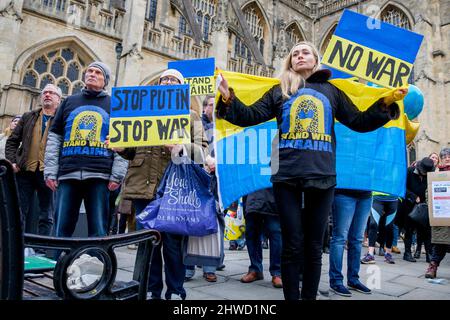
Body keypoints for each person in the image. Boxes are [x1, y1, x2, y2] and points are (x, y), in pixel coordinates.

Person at [216, 41, 406, 300]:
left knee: (314, 247)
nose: (299, 56)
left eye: (305, 52)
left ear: (316, 59)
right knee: (292, 244)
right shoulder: (279, 89)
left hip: (322, 177)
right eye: (294, 53)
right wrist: (228, 97)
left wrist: (385, 103)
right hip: (287, 177)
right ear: (289, 61)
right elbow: (250, 115)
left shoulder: (331, 91)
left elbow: (358, 121)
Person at [116, 68, 209, 300]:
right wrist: (121, 148)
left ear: (181, 88)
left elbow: (202, 152)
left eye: (173, 80)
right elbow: (132, 149)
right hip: (142, 185)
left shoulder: (191, 116)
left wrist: (181, 147)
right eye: (163, 79)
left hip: (173, 188)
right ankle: (150, 289)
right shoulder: (141, 113)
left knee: (172, 244)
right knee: (148, 242)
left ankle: (176, 290)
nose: (167, 82)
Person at [44, 61, 128, 238]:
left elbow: (122, 141)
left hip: (100, 175)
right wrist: (50, 171)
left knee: (98, 229)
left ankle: (96, 263)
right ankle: (61, 264)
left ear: (105, 80)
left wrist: (117, 175)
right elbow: (54, 137)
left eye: (97, 72)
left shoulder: (115, 104)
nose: (92, 74)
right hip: (68, 173)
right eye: (89, 71)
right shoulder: (68, 102)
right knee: (62, 228)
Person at [6, 84, 61, 236]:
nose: (47, 95)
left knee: (47, 214)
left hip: (48, 173)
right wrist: (12, 161)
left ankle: (41, 249)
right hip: (25, 172)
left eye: (52, 93)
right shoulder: (28, 116)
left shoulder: (62, 118)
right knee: (19, 212)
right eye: (45, 93)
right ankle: (18, 246)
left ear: (58, 99)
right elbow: (12, 141)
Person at [329, 189, 373, 296]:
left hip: (366, 194)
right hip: (344, 192)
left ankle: (353, 279)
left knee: (357, 239)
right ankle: (336, 281)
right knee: (340, 238)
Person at [239, 188, 283, 289]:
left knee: (275, 232)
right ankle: (255, 269)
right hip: (251, 195)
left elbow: (274, 171)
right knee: (252, 232)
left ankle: (277, 272)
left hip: (272, 194)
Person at [402, 157, 435, 262]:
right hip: (410, 205)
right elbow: (402, 187)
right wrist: (413, 196)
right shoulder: (409, 171)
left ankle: (429, 254)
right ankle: (407, 253)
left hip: (425, 206)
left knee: (426, 231)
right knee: (409, 230)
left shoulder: (430, 174)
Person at [425, 147, 450, 278]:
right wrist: (431, 202)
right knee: (440, 243)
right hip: (442, 215)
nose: (447, 158)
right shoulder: (436, 173)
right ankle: (432, 267)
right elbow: (428, 192)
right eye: (444, 156)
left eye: (449, 156)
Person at [361, 192, 399, 264]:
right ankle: (370, 254)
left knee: (389, 226)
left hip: (393, 198)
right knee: (373, 224)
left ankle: (388, 254)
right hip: (377, 196)